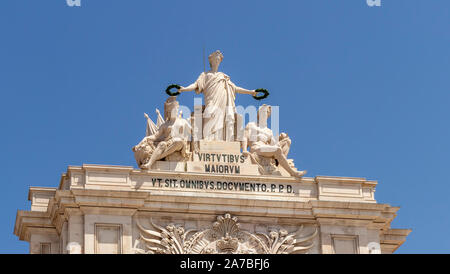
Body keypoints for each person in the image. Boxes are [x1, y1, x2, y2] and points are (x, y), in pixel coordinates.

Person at [178, 50, 257, 141]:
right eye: (215, 59)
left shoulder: (223, 76)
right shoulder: (205, 75)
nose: (217, 61)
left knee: (222, 120)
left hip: (222, 101)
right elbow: (195, 85)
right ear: (211, 61)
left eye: (218, 60)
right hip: (211, 100)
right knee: (209, 114)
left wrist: (250, 92)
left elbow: (235, 88)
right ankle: (208, 140)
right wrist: (184, 89)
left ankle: (220, 142)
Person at [242, 104, 306, 178]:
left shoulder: (269, 131)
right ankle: (292, 172)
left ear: (268, 115)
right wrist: (244, 150)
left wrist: (282, 138)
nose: (265, 114)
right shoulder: (251, 125)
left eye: (267, 112)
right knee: (277, 150)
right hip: (256, 148)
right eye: (263, 112)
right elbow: (245, 137)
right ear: (259, 113)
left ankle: (280, 164)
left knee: (287, 141)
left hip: (265, 148)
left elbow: (275, 144)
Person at [132, 97, 191, 169]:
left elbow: (192, 131)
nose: (175, 111)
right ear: (169, 112)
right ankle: (150, 163)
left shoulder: (183, 121)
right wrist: (146, 138)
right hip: (169, 143)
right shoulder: (164, 125)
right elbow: (155, 136)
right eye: (173, 110)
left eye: (176, 109)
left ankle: (155, 158)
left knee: (178, 141)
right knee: (162, 144)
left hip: (180, 143)